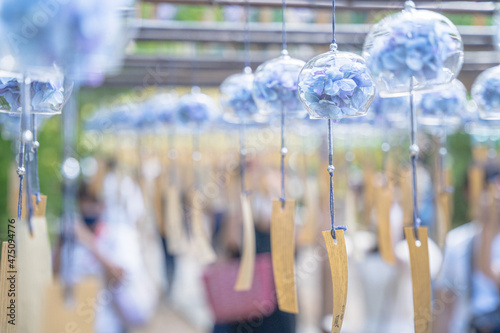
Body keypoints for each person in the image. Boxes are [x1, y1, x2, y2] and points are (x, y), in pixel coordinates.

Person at [433, 162, 500, 333]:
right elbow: (445, 300)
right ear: (467, 193)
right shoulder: (456, 239)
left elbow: (489, 272)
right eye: (481, 189)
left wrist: (488, 226)